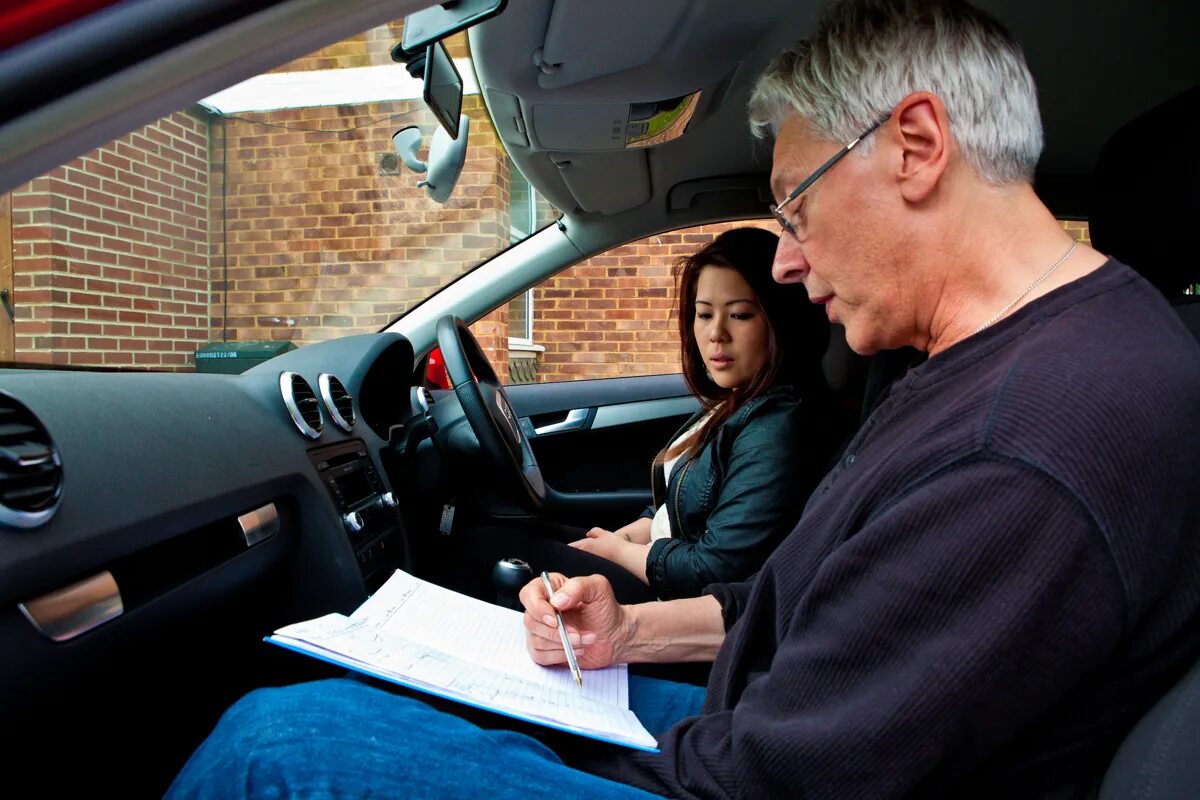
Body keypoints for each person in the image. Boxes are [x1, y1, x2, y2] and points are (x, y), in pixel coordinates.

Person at [166, 1, 1200, 798]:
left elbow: (764, 783)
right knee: (395, 700)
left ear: (917, 145)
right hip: (765, 728)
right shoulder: (1004, 362)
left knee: (278, 747)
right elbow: (811, 609)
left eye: (794, 202)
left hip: (752, 770)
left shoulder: (1031, 440)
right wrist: (626, 633)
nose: (786, 261)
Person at [456, 227, 834, 605]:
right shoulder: (737, 401)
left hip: (672, 599)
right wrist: (620, 538)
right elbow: (674, 506)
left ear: (781, 321)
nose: (716, 333)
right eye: (703, 314)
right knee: (505, 539)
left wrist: (618, 552)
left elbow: (715, 571)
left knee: (480, 546)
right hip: (660, 565)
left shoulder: (776, 426)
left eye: (739, 315)